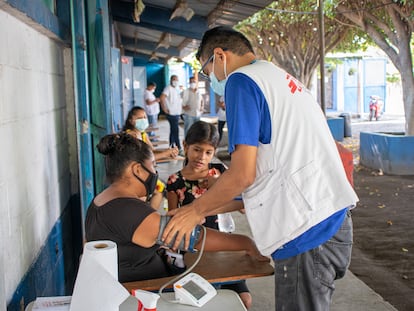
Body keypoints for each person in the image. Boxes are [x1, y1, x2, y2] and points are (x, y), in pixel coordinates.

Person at [161, 26, 359, 311]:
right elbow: (268, 170)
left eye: (207, 71)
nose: (212, 80)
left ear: (219, 56)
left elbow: (243, 174)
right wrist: (203, 205)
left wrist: (195, 211)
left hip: (307, 232)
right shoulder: (277, 78)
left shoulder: (240, 81)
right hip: (331, 222)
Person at [85, 132, 268, 283]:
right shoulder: (128, 210)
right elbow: (193, 237)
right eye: (153, 166)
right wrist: (246, 243)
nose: (155, 173)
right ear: (138, 170)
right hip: (144, 294)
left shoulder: (101, 200)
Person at [166, 120, 252, 309]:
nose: (201, 157)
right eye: (197, 149)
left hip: (224, 248)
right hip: (192, 252)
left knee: (245, 300)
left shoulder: (221, 173)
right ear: (185, 146)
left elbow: (244, 207)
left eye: (208, 152)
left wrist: (219, 185)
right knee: (206, 301)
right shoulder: (174, 182)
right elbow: (172, 219)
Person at [160, 75, 183, 152]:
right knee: (175, 130)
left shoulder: (176, 89)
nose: (175, 81)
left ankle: (172, 145)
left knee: (173, 130)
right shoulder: (168, 88)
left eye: (177, 80)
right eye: (174, 79)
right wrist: (164, 109)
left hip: (176, 113)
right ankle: (178, 147)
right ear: (170, 80)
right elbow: (162, 97)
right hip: (171, 114)